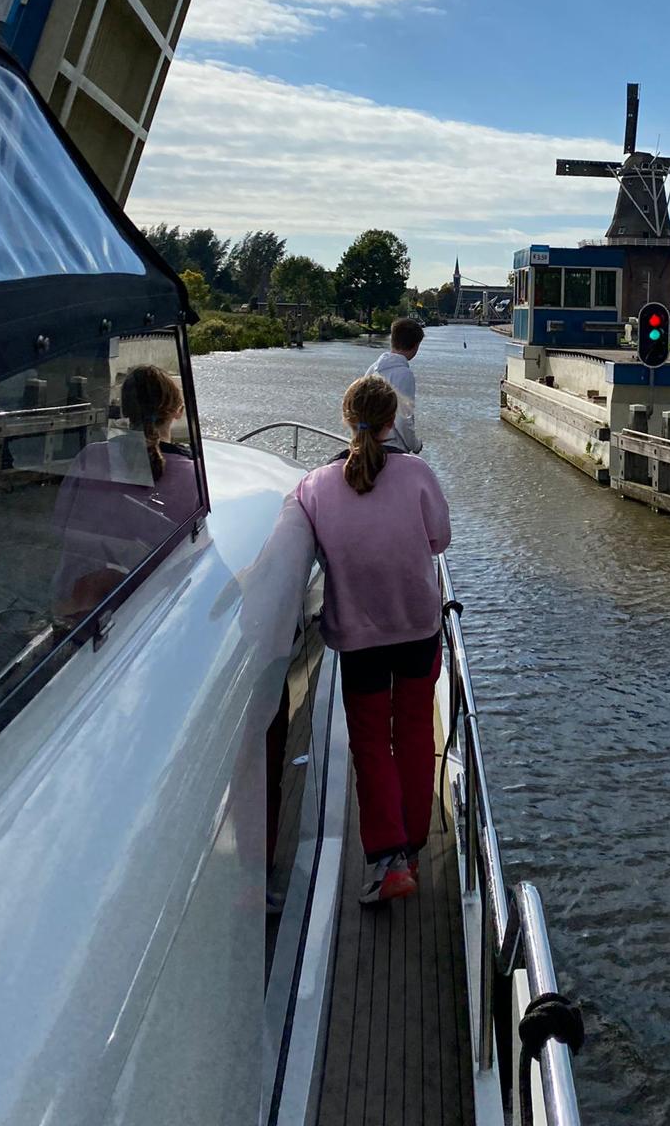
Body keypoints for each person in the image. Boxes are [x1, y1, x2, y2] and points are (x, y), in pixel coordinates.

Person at [296, 374, 451, 904]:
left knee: (369, 740)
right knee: (413, 732)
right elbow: (439, 540)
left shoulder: (315, 485)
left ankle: (385, 861)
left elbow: (312, 548)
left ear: (347, 419)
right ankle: (410, 849)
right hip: (415, 625)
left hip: (357, 633)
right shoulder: (418, 474)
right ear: (393, 422)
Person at [52, 364, 198, 620]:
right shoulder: (193, 476)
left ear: (124, 410)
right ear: (178, 412)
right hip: (142, 612)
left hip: (77, 603)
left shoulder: (91, 457)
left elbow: (60, 527)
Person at [365, 317, 424, 453]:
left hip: (370, 443)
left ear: (392, 340)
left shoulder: (373, 369)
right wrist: (415, 445)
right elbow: (403, 419)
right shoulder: (404, 374)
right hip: (392, 448)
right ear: (416, 346)